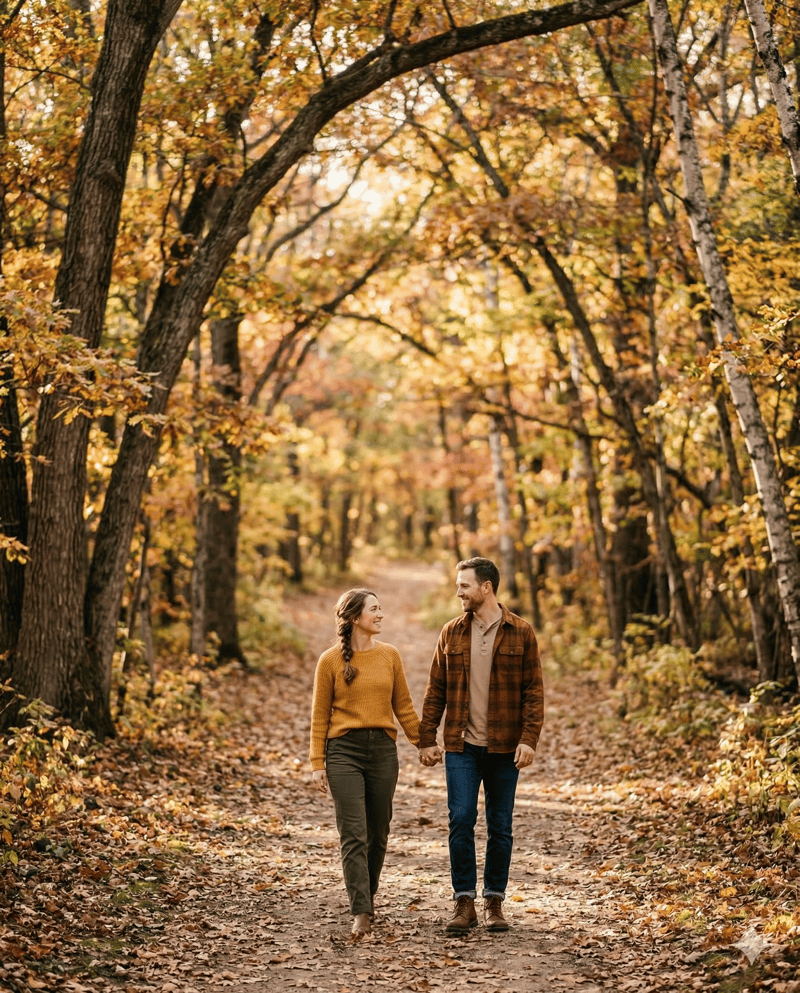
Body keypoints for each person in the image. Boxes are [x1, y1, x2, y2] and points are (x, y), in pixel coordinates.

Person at [418, 557, 544, 933]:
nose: (458, 592)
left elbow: (533, 693)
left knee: (500, 825)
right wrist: (427, 738)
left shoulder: (521, 632)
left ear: (486, 587)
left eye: (464, 586)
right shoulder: (451, 632)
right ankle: (463, 902)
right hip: (462, 745)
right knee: (460, 820)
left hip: (506, 747)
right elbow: (434, 689)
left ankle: (494, 901)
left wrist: (528, 739)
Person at [310, 588, 420, 937]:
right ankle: (361, 911)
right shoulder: (330, 661)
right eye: (374, 609)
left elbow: (403, 706)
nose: (381, 614)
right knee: (353, 833)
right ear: (355, 617)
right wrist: (317, 762)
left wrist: (424, 743)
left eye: (380, 607)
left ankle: (365, 897)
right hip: (344, 752)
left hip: (383, 752)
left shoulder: (390, 656)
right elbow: (319, 716)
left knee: (379, 831)